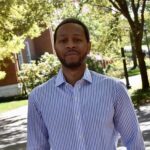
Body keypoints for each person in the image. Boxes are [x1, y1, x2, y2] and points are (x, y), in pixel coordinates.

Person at [27, 18, 145, 150]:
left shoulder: (114, 89)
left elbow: (134, 141)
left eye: (77, 40)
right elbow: (36, 147)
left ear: (89, 46)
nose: (70, 45)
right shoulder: (38, 97)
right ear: (55, 48)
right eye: (63, 40)